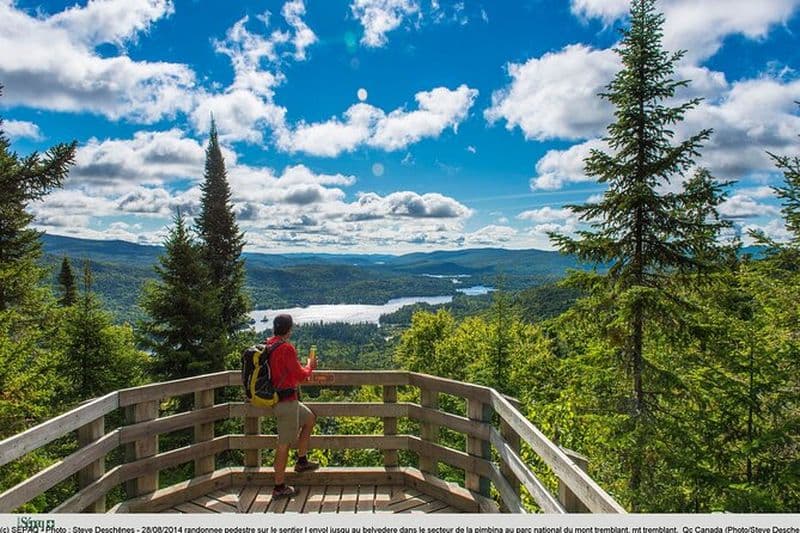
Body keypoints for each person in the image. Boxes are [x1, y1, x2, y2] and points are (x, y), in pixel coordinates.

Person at [265, 313, 319, 498]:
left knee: (309, 418)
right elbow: (300, 375)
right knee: (284, 444)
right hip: (286, 402)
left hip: (282, 400)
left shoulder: (269, 344)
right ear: (289, 329)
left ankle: (302, 460)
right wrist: (310, 365)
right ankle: (279, 488)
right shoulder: (286, 348)